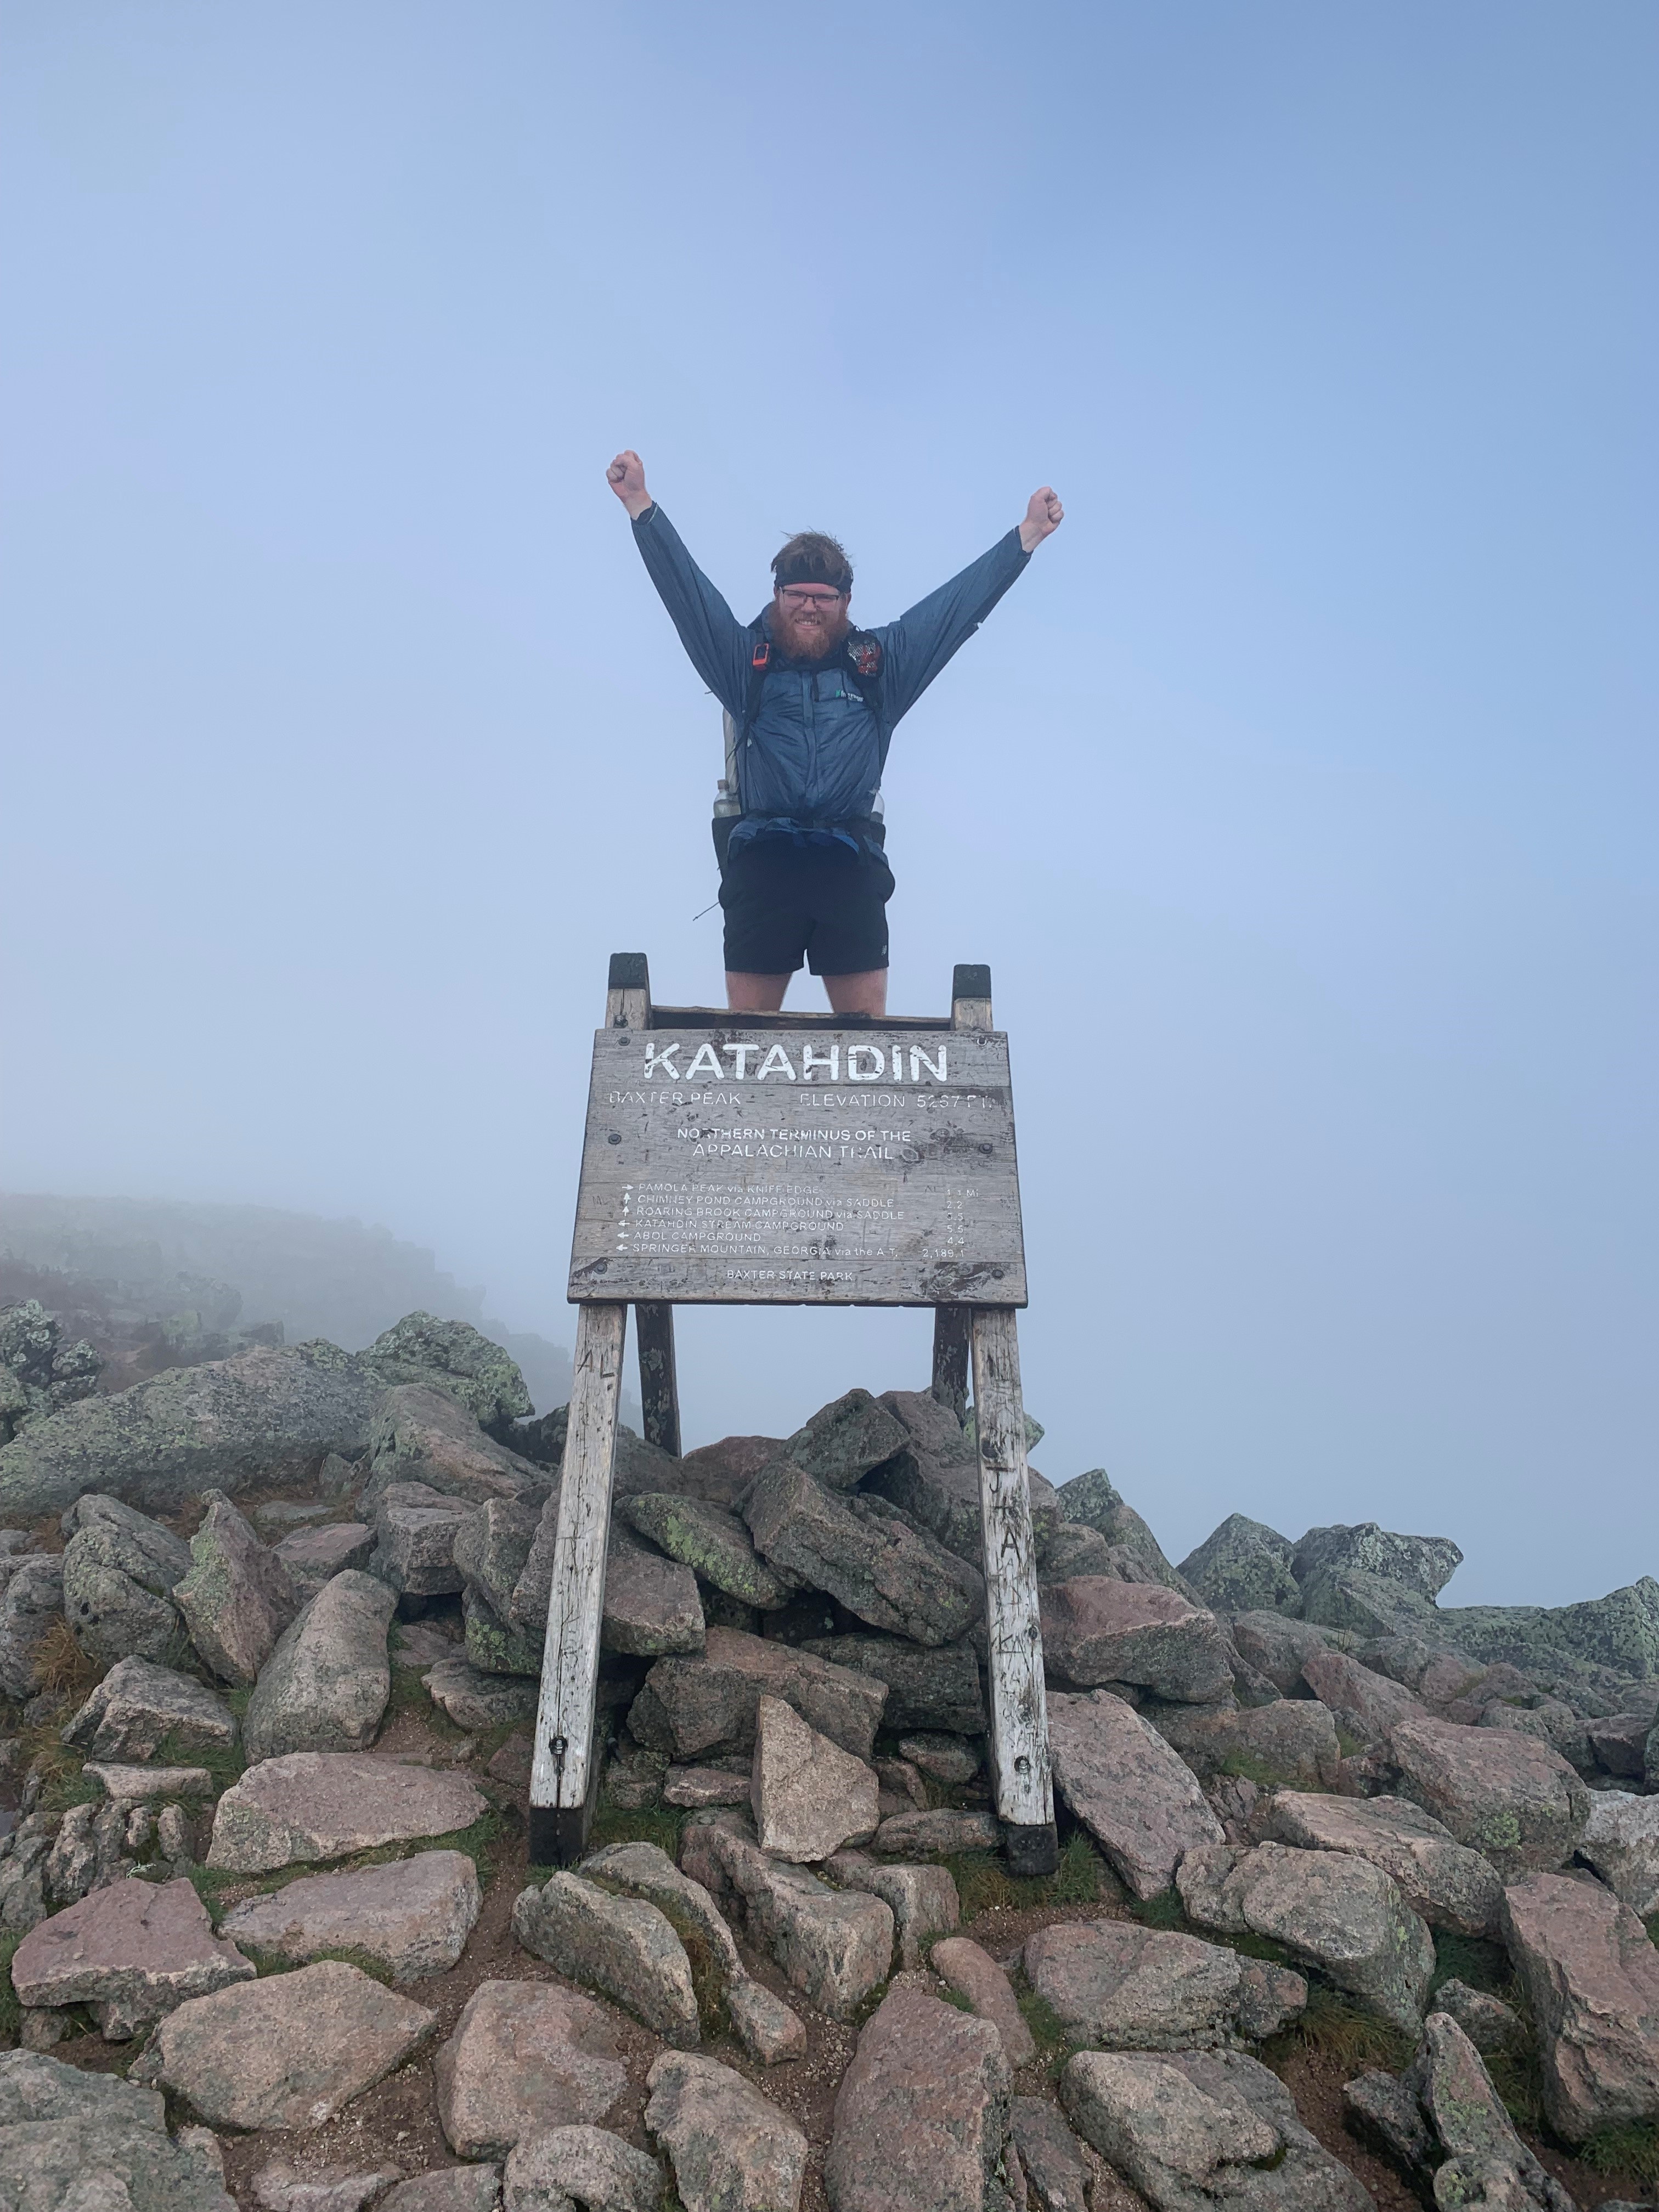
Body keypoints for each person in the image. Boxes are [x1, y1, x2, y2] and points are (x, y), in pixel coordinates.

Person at [607, 449, 1063, 1014]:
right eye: (796, 595)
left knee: (865, 1046)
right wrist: (640, 506)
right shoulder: (745, 663)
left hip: (849, 860)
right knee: (749, 1040)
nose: (809, 607)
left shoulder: (880, 668)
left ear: (846, 601)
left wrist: (1027, 536)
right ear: (777, 595)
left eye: (823, 598)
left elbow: (953, 611)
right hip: (764, 860)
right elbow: (689, 598)